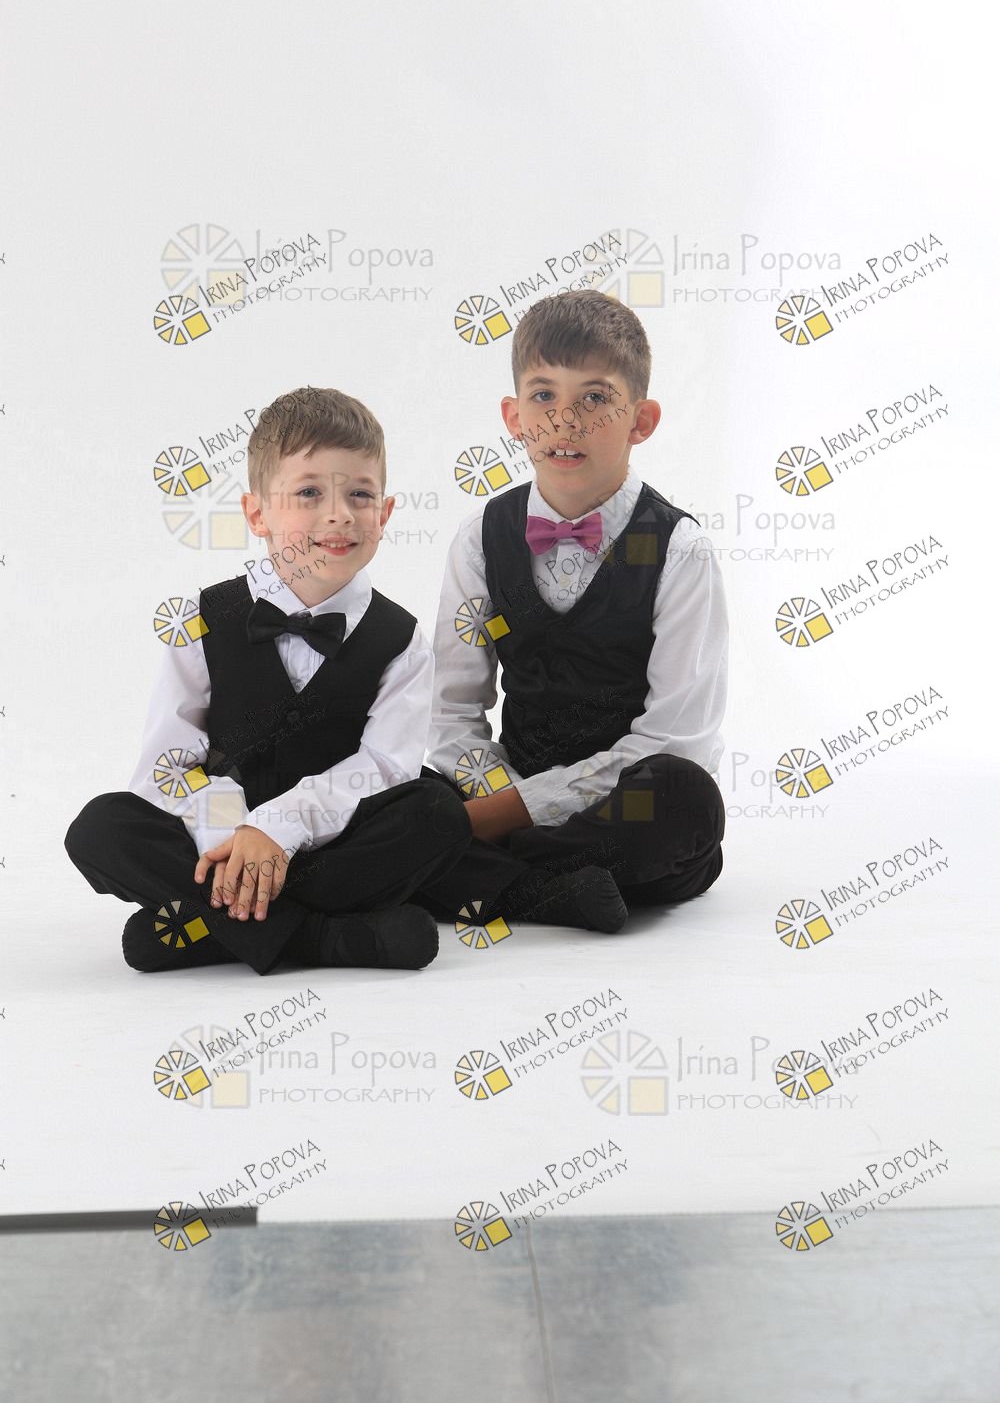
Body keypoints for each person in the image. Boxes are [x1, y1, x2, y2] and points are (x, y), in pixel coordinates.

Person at [63, 386, 472, 976]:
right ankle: (325, 938)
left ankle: (209, 929)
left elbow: (387, 767)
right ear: (258, 514)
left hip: (332, 845)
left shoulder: (401, 639)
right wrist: (236, 833)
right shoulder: (203, 620)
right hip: (217, 844)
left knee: (438, 813)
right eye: (309, 493)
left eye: (360, 494)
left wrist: (280, 826)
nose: (339, 514)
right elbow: (166, 768)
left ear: (384, 515)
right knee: (101, 828)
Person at [414, 289, 727, 934]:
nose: (564, 420)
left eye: (594, 398)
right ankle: (553, 888)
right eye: (543, 395)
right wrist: (499, 793)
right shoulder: (480, 539)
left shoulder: (679, 549)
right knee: (405, 792)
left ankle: (476, 872)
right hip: (504, 786)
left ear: (641, 420)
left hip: (621, 804)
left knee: (683, 798)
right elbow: (452, 713)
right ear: (513, 415)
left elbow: (676, 738)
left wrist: (506, 817)